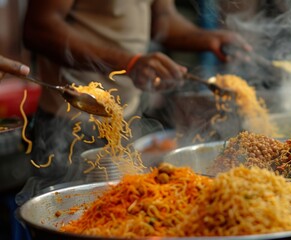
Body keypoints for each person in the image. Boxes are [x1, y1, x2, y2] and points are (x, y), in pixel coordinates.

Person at [16, 0, 250, 203]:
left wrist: (206, 39)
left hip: (129, 119)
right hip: (72, 125)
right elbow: (40, 28)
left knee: (125, 211)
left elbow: (163, 18)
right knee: (71, 218)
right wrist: (129, 62)